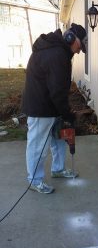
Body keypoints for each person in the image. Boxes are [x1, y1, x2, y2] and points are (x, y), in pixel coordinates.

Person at [22, 23, 87, 194]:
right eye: (80, 46)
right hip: (41, 108)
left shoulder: (58, 51)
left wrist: (64, 113)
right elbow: (58, 92)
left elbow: (58, 89)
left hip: (51, 106)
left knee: (58, 139)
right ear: (70, 38)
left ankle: (58, 169)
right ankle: (34, 181)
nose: (79, 51)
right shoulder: (57, 55)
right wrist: (68, 114)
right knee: (38, 146)